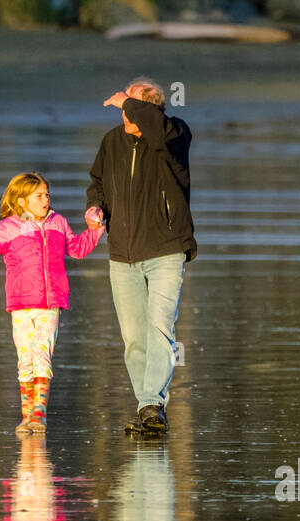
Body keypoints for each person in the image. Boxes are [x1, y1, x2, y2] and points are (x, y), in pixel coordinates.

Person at [86, 78, 197, 433]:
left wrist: (128, 102)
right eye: (123, 108)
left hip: (166, 250)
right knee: (134, 336)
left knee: (160, 327)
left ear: (150, 109)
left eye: (130, 108)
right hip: (122, 254)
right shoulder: (112, 141)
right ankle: (146, 405)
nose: (123, 114)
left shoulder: (175, 134)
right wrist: (95, 208)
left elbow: (160, 133)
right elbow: (97, 181)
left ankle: (152, 403)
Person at [0, 172, 105, 436]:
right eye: (39, 195)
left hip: (50, 302)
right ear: (21, 201)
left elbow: (77, 249)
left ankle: (39, 415)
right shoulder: (9, 227)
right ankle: (26, 414)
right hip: (20, 304)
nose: (46, 200)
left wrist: (95, 229)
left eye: (47, 194)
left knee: (42, 354)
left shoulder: (58, 222)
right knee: (25, 359)